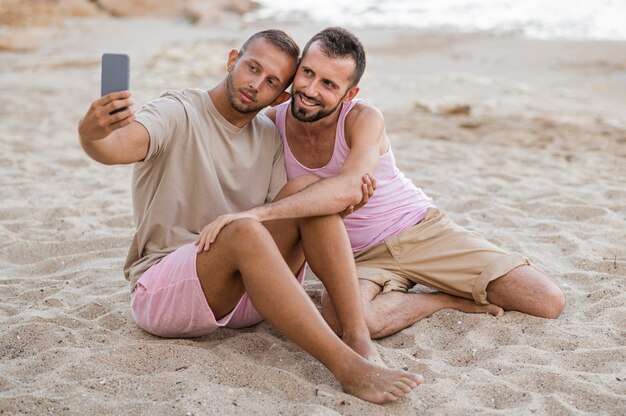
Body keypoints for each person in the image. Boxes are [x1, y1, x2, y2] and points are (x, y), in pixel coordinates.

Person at [77, 29, 422, 404]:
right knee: (244, 228)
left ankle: (357, 338)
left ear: (282, 96)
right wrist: (92, 134)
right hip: (165, 295)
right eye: (252, 68)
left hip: (249, 297)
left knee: (309, 194)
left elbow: (291, 219)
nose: (256, 84)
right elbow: (116, 148)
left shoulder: (268, 135)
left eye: (272, 81)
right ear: (232, 61)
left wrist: (340, 203)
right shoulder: (178, 110)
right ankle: (347, 368)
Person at [210, 27, 565, 340]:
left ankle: (443, 278)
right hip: (355, 258)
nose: (310, 90)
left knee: (545, 301)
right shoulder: (273, 121)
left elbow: (349, 188)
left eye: (329, 84)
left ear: (349, 93)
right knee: (347, 321)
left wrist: (261, 214)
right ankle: (438, 299)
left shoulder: (363, 119)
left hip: (417, 231)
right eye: (307, 74)